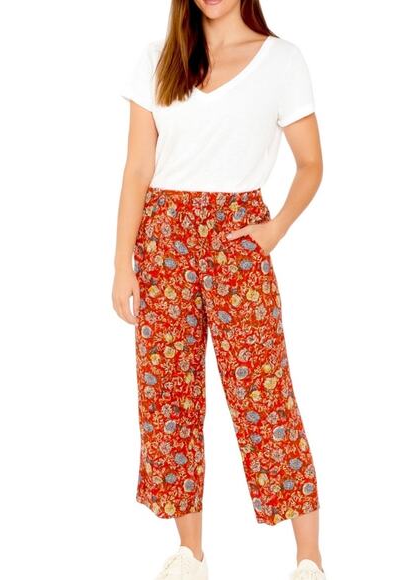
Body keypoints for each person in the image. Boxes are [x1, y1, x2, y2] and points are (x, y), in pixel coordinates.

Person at [113, 1, 325, 578]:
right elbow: (137, 169)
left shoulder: (281, 60)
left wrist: (276, 228)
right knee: (168, 397)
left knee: (264, 392)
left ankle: (309, 558)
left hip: (239, 236)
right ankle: (192, 554)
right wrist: (121, 264)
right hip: (163, 238)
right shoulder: (158, 60)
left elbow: (310, 163)